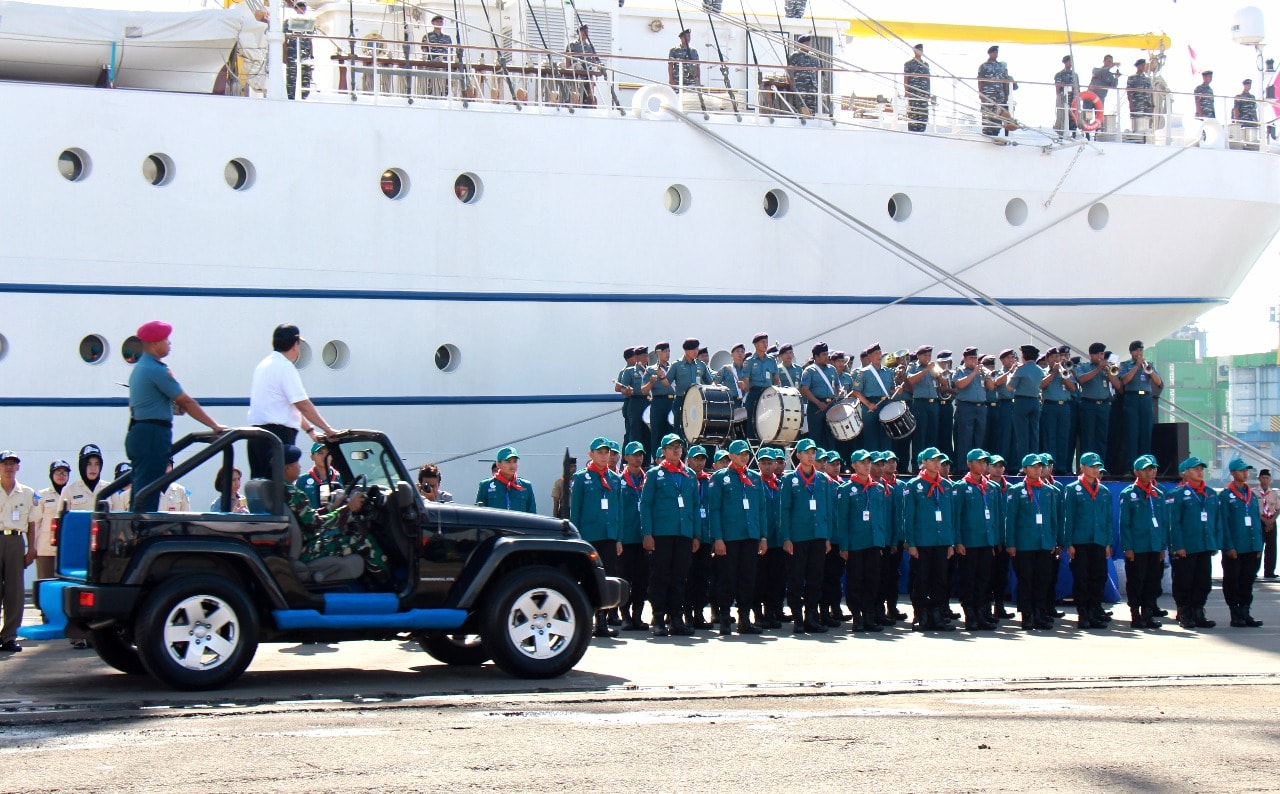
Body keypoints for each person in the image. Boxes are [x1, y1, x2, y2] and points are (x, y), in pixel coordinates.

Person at [282, 445, 390, 584]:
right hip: (306, 549)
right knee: (361, 538)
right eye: (296, 463)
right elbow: (316, 523)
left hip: (299, 544)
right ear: (287, 468)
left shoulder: (282, 488)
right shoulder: (292, 493)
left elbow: (307, 517)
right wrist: (349, 508)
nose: (299, 466)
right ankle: (387, 584)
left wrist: (333, 506)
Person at [246, 324, 336, 480]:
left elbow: (287, 405)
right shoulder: (285, 367)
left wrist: (310, 431)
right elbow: (302, 404)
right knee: (278, 490)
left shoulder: (264, 365)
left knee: (260, 488)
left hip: (256, 437)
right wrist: (328, 430)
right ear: (295, 345)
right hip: (276, 437)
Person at [640, 433, 698, 637]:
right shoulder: (655, 474)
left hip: (684, 533)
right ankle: (658, 619)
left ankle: (676, 618)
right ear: (663, 451)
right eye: (671, 447)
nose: (676, 450)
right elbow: (645, 505)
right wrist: (647, 533)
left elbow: (695, 505)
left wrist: (696, 535)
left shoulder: (689, 474)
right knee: (660, 576)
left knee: (680, 577)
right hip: (662, 533)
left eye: (679, 447)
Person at [705, 439, 765, 635]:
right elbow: (714, 510)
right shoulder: (720, 478)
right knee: (727, 579)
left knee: (747, 578)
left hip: (750, 535)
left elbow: (761, 509)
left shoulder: (755, 478)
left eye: (746, 453)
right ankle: (724, 619)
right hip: (729, 537)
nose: (744, 456)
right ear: (730, 456)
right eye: (739, 453)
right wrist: (718, 538)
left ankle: (744, 619)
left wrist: (763, 536)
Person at [570, 437, 623, 638]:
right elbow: (575, 510)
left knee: (606, 577)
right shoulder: (582, 478)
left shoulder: (615, 479)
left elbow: (619, 512)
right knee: (586, 577)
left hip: (609, 535)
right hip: (589, 536)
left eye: (606, 452)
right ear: (590, 454)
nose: (603, 456)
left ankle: (602, 621)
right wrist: (575, 537)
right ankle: (584, 620)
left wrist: (619, 538)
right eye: (599, 452)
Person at [780, 438, 833, 634]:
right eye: (806, 452)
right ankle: (797, 617)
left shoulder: (823, 479)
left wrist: (826, 537)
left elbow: (827, 509)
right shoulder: (789, 479)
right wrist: (786, 537)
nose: (811, 456)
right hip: (798, 537)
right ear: (799, 455)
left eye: (813, 452)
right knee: (796, 578)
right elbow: (784, 510)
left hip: (817, 535)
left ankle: (812, 615)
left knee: (815, 578)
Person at [901, 446, 955, 632]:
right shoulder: (914, 486)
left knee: (940, 579)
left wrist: (950, 543)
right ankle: (921, 614)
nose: (936, 463)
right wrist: (912, 543)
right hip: (922, 542)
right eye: (932, 460)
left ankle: (937, 615)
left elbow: (950, 517)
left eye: (938, 460)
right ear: (923, 463)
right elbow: (908, 517)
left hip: (941, 542)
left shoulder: (947, 486)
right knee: (921, 579)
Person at [835, 450, 888, 632]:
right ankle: (857, 616)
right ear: (854, 466)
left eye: (868, 462)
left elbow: (880, 517)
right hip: (855, 543)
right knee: (855, 579)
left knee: (872, 579)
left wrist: (880, 541)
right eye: (862, 462)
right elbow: (842, 520)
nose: (867, 466)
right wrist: (844, 545)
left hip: (873, 542)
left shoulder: (878, 488)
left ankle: (869, 615)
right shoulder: (846, 489)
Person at [1004, 454, 1057, 631]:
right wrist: (1010, 543)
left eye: (1040, 466)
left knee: (1043, 580)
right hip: (1024, 544)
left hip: (1043, 543)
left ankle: (1040, 613)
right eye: (1033, 466)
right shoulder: (1017, 490)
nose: (1038, 469)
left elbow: (1053, 518)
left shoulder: (1049, 490)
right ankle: (1027, 615)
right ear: (1025, 469)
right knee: (1026, 580)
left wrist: (1053, 541)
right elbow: (1010, 519)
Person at [1167, 456, 1220, 630]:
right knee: (1184, 580)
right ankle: (1184, 612)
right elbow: (1174, 523)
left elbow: (1216, 520)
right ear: (1186, 472)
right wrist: (1178, 545)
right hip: (1186, 547)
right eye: (1196, 469)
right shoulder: (1177, 494)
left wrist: (1215, 542)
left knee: (1203, 581)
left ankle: (1198, 611)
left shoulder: (1211, 493)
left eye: (1201, 468)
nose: (1200, 472)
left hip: (1204, 544)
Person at [1063, 452, 1113, 629]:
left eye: (1097, 466)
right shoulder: (1073, 489)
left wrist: (1108, 542)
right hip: (1080, 541)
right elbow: (1068, 517)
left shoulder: (1104, 491)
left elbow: (1108, 518)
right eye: (1091, 466)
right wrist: (1069, 542)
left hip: (1098, 540)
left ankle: (1094, 612)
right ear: (1082, 467)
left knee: (1098, 578)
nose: (1095, 470)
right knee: (1082, 578)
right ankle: (1083, 615)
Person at [1119, 455, 1169, 629]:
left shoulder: (1158, 494)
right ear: (1136, 472)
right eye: (1147, 469)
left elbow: (1163, 522)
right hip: (1137, 547)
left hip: (1154, 546)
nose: (1151, 472)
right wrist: (1128, 547)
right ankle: (1135, 614)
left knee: (1152, 580)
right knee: (1136, 580)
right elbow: (1124, 523)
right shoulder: (1129, 493)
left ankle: (1148, 613)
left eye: (1153, 468)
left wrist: (1162, 546)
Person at [952, 449, 1000, 631]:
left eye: (985, 462)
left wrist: (994, 541)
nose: (983, 465)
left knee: (983, 579)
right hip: (969, 542)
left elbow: (995, 517)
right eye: (979, 462)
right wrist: (958, 541)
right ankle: (970, 615)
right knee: (968, 579)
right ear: (969, 464)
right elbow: (956, 516)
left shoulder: (991, 487)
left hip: (986, 541)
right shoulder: (961, 487)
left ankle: (981, 613)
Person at [1220, 458, 1264, 628]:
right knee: (1233, 580)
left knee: (1247, 580)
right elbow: (1224, 523)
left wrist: (1259, 545)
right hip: (1235, 547)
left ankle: (1246, 612)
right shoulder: (1225, 496)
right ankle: (1235, 613)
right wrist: (1228, 546)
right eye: (1241, 470)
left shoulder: (1252, 495)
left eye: (1246, 470)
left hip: (1251, 546)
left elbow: (1255, 521)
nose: (1245, 473)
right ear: (1232, 473)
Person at [0, 451, 37, 652]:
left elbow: (32, 523)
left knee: (15, 591)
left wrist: (31, 548)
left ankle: (9, 636)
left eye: (12, 464)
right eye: (5, 463)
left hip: (15, 540)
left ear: (18, 468)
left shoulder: (27, 493)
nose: (9, 468)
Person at [618, 441, 650, 630]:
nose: (638, 458)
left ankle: (637, 615)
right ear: (626, 458)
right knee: (625, 578)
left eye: (640, 454)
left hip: (643, 537)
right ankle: (625, 615)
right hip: (626, 538)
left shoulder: (647, 480)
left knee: (642, 580)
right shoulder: (618, 481)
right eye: (634, 454)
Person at [754, 447, 787, 628]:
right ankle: (758, 613)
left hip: (778, 539)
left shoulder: (782, 483)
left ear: (776, 464)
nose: (767, 467)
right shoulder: (754, 482)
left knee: (776, 578)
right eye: (764, 463)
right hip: (762, 539)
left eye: (771, 463)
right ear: (758, 464)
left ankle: (772, 612)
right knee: (760, 577)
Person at [1118, 340, 1161, 466]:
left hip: (1146, 399)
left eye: (1141, 350)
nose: (1139, 353)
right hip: (1132, 398)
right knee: (1132, 432)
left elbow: (1158, 382)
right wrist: (1136, 366)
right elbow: (1124, 381)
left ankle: (1146, 465)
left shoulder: (1149, 364)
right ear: (1131, 352)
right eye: (1136, 350)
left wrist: (1149, 370)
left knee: (1146, 431)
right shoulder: (1125, 365)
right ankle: (1131, 466)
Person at [1074, 343, 1118, 459]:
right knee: (1088, 436)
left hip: (1103, 405)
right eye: (1097, 354)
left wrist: (1108, 372)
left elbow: (1118, 385)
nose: (1100, 356)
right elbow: (1081, 379)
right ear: (1090, 355)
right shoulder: (1083, 366)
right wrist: (1098, 369)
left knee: (1102, 436)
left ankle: (1100, 465)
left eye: (1102, 354)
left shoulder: (1108, 368)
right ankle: (1087, 464)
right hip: (1088, 404)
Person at [851, 343, 895, 452]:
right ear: (869, 357)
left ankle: (885, 462)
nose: (879, 355)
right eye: (876, 353)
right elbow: (856, 391)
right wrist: (868, 404)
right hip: (870, 405)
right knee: (871, 437)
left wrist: (897, 390)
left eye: (880, 352)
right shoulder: (864, 372)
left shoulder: (888, 372)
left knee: (886, 435)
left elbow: (891, 389)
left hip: (885, 404)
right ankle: (873, 465)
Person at [1040, 347, 1077, 476]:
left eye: (1058, 356)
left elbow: (1072, 388)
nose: (1057, 359)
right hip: (1050, 405)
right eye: (1054, 357)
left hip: (1064, 406)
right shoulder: (1043, 371)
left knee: (1063, 437)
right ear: (1048, 359)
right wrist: (1053, 373)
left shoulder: (1066, 370)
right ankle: (1051, 467)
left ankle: (1062, 467)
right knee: (1050, 437)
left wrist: (1063, 375)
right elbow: (1041, 385)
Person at [952, 348, 994, 461]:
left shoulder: (982, 372)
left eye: (975, 358)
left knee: (979, 437)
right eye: (971, 358)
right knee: (965, 438)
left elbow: (991, 387)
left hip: (981, 407)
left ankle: (977, 464)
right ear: (965, 359)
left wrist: (988, 376)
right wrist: (974, 372)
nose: (974, 360)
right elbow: (960, 385)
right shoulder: (960, 370)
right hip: (966, 406)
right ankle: (963, 466)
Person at [1007, 344, 1046, 465]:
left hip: (1022, 402)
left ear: (1023, 356)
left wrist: (1011, 373)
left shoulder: (1021, 370)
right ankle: (1034, 463)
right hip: (1035, 401)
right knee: (1034, 434)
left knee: (1022, 435)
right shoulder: (1040, 370)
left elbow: (1009, 387)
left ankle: (1024, 465)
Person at [31, 460, 70, 579]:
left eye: (64, 473)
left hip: (66, 548)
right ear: (51, 475)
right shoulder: (42, 495)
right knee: (45, 581)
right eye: (58, 472)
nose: (61, 476)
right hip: (45, 549)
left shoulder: (71, 493)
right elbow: (36, 522)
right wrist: (33, 547)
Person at [669, 339, 713, 442]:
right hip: (681, 400)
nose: (695, 352)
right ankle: (680, 454)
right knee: (679, 430)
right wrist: (661, 378)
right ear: (686, 350)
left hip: (696, 401)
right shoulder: (677, 365)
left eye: (697, 349)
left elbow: (710, 383)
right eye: (693, 349)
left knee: (696, 429)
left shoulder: (701, 365)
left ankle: (694, 455)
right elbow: (667, 381)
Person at [799, 342, 840, 449]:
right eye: (824, 355)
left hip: (830, 406)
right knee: (816, 438)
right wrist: (818, 403)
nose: (827, 357)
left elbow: (836, 384)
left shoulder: (832, 369)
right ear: (816, 356)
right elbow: (805, 390)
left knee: (831, 436)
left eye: (827, 354)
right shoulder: (809, 371)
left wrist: (838, 393)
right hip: (815, 407)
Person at [742, 332, 779, 442]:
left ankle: (767, 447)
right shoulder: (749, 362)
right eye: (762, 342)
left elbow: (776, 379)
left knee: (769, 421)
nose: (765, 344)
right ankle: (753, 448)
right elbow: (746, 383)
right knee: (753, 423)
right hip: (755, 393)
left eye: (767, 342)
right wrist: (744, 387)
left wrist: (778, 392)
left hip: (769, 393)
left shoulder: (771, 360)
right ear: (756, 344)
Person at [905, 345, 940, 456]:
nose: (928, 357)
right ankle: (917, 464)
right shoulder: (913, 366)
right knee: (920, 434)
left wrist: (939, 373)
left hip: (933, 403)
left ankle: (931, 460)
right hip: (920, 403)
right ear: (919, 356)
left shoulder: (933, 367)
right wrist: (926, 370)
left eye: (929, 355)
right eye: (925, 355)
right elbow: (911, 380)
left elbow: (943, 382)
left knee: (932, 433)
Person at [475, 447, 535, 512]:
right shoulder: (485, 486)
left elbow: (532, 514)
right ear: (498, 464)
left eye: (515, 461)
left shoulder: (526, 486)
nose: (512, 465)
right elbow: (479, 515)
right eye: (508, 462)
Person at [977, 45, 1016, 136]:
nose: (996, 54)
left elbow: (1004, 80)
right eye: (994, 52)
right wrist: (980, 92)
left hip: (999, 94)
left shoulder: (1000, 66)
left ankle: (996, 131)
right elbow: (980, 80)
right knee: (987, 112)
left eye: (997, 53)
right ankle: (987, 131)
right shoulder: (984, 66)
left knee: (999, 112)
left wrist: (1006, 94)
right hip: (988, 94)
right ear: (990, 54)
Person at [56, 444, 105, 516]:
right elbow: (61, 521)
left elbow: (119, 521)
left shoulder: (110, 490)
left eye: (97, 464)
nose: (93, 468)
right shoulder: (69, 490)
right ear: (82, 465)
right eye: (89, 464)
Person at [646, 342, 675, 456]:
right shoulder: (650, 369)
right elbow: (643, 389)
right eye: (664, 351)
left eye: (668, 351)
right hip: (658, 401)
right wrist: (651, 382)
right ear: (658, 353)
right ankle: (657, 458)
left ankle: (671, 458)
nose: (667, 354)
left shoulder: (673, 367)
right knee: (657, 432)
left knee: (671, 432)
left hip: (672, 401)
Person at [296, 442, 343, 509]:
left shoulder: (340, 477)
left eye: (328, 453)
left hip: (335, 518)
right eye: (320, 453)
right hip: (312, 518)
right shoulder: (303, 479)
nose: (325, 456)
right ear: (312, 457)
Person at [564, 24, 600, 107]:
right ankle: (575, 103)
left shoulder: (590, 47)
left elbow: (595, 61)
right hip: (575, 74)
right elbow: (568, 61)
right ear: (578, 32)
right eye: (583, 31)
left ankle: (590, 104)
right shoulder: (572, 46)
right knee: (575, 91)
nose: (585, 33)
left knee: (590, 84)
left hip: (588, 74)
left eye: (586, 31)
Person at [787, 34, 821, 116]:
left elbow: (818, 69)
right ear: (801, 44)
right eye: (806, 43)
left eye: (809, 43)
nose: (808, 45)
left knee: (811, 105)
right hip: (800, 85)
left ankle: (811, 118)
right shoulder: (794, 56)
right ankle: (801, 119)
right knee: (800, 105)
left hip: (812, 85)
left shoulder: (813, 56)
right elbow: (789, 70)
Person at [421, 14, 453, 97]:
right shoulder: (427, 36)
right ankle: (431, 95)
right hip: (432, 64)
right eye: (437, 21)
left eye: (441, 22)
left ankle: (444, 96)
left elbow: (450, 51)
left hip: (445, 65)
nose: (439, 23)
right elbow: (424, 50)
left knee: (445, 84)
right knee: (431, 83)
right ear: (433, 23)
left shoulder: (447, 37)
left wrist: (451, 62)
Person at [903, 43, 931, 132]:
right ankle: (912, 130)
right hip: (913, 92)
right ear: (915, 51)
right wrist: (906, 91)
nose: (921, 52)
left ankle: (922, 130)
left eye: (921, 50)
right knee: (913, 112)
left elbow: (928, 79)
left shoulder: (925, 64)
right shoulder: (908, 64)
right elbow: (906, 77)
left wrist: (928, 92)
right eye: (919, 50)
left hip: (923, 93)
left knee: (923, 113)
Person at [1259, 468, 1278, 579]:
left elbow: (1278, 509)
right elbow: (1254, 509)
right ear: (1259, 478)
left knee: (1271, 548)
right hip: (1260, 522)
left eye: (1267, 478)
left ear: (1270, 479)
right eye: (1263, 478)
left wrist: (1271, 521)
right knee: (1258, 547)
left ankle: (1269, 571)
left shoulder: (1274, 493)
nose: (1265, 480)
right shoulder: (1254, 492)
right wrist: (1265, 520)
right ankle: (1254, 570)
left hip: (1271, 522)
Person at [1053, 55, 1078, 136]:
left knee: (1073, 115)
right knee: (1062, 115)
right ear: (1065, 62)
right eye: (1070, 61)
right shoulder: (1059, 74)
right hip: (1063, 98)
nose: (1071, 63)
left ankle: (1074, 132)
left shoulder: (1075, 75)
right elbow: (1057, 87)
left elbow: (1077, 86)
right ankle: (1061, 133)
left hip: (1073, 98)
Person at [1126, 59, 1153, 131]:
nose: (1144, 67)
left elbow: (1151, 92)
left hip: (1147, 105)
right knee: (1137, 122)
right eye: (1142, 65)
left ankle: (1147, 137)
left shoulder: (1147, 79)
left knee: (1148, 123)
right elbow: (1129, 91)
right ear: (1138, 66)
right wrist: (1131, 103)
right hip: (1137, 104)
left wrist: (1153, 104)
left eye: (1144, 65)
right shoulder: (1132, 78)